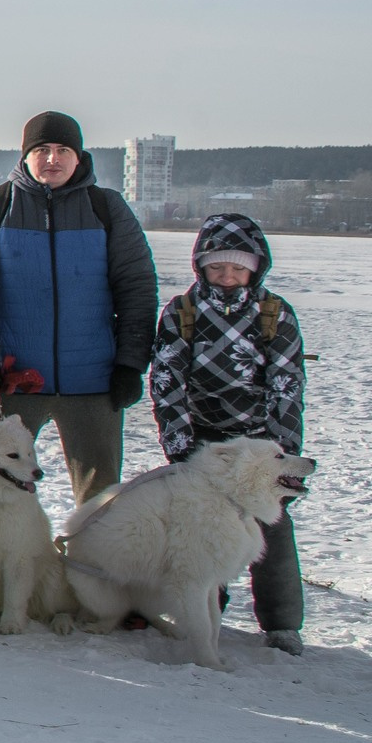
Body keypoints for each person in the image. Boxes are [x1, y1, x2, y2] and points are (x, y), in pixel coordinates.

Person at [0, 111, 159, 503]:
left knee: (101, 503)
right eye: (41, 149)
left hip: (94, 384)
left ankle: (88, 565)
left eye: (63, 149)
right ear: (25, 156)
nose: (52, 159)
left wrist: (131, 364)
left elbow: (137, 289)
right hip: (11, 383)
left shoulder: (107, 208)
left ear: (78, 157)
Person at [148, 214, 308, 654]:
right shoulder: (181, 312)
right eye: (217, 267)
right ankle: (200, 608)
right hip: (203, 440)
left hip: (260, 442)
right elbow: (167, 382)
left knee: (271, 527)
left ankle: (282, 623)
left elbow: (287, 383)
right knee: (199, 526)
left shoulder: (275, 313)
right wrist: (180, 447)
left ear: (255, 268)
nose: (228, 277)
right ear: (202, 266)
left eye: (238, 268)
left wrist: (284, 449)